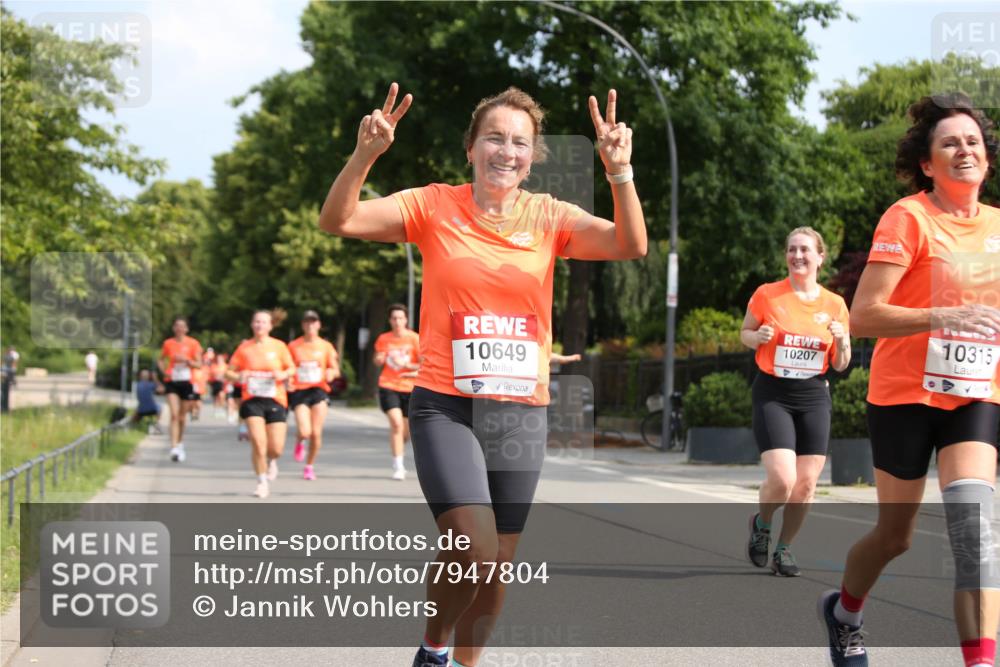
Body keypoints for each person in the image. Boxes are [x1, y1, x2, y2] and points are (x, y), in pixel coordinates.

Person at [319, 83, 646, 667]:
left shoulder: (550, 216)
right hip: (446, 402)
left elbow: (629, 243)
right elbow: (337, 219)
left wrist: (619, 172)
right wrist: (365, 154)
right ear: (471, 147)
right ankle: (433, 649)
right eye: (494, 137)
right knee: (471, 546)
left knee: (497, 568)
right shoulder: (433, 206)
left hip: (519, 409)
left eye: (520, 142)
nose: (506, 150)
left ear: (533, 156)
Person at [819, 93, 1000, 667]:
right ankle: (845, 611)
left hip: (974, 396)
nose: (963, 149)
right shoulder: (909, 217)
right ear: (927, 163)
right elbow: (863, 316)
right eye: (949, 142)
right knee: (894, 536)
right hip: (904, 396)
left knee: (974, 531)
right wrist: (940, 316)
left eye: (972, 141)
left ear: (987, 159)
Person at [740, 227, 851, 577]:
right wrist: (756, 337)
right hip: (773, 392)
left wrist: (843, 340)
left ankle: (785, 549)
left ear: (820, 257)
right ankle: (763, 522)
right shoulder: (767, 295)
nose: (797, 256)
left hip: (813, 394)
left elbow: (840, 363)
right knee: (783, 480)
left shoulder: (835, 304)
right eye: (791, 249)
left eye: (805, 250)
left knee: (806, 485)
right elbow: (744, 333)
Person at [226, 310, 295, 499]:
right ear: (252, 324)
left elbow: (291, 368)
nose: (259, 325)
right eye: (256, 322)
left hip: (276, 399)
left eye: (263, 322)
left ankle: (272, 460)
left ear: (270, 326)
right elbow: (228, 372)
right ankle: (261, 481)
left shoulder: (279, 346)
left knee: (276, 448)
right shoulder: (244, 348)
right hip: (252, 400)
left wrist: (283, 374)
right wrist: (239, 376)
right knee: (258, 442)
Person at [288, 310, 341, 480]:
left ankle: (309, 466)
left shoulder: (326, 346)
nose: (310, 325)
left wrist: (331, 374)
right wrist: (288, 380)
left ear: (318, 325)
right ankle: (300, 440)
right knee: (305, 431)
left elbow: (335, 369)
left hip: (319, 390)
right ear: (303, 325)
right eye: (307, 322)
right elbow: (287, 367)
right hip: (299, 391)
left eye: (313, 322)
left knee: (316, 432)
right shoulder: (294, 346)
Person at [373, 304, 420, 480]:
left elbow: (424, 364)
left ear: (406, 320)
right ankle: (398, 465)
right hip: (388, 385)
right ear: (390, 320)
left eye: (400, 318)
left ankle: (399, 447)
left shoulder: (415, 339)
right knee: (396, 424)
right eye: (394, 318)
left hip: (409, 387)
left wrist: (406, 365)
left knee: (405, 433)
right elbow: (378, 360)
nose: (397, 321)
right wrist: (379, 359)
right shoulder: (384, 339)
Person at [157, 318, 203, 462]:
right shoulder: (168, 343)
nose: (179, 328)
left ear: (187, 329)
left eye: (182, 326)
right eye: (177, 326)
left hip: (187, 381)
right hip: (172, 381)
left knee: (182, 417)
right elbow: (160, 359)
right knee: (174, 415)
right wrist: (164, 372)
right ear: (173, 328)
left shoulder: (193, 343)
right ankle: (174, 447)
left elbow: (199, 364)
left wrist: (187, 361)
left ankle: (180, 442)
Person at [132, 369, 162, 434]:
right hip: (152, 409)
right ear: (149, 376)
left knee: (137, 409)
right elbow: (161, 389)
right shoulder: (151, 384)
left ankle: (133, 425)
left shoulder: (138, 385)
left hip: (141, 410)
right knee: (160, 406)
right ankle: (157, 424)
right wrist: (155, 379)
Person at [1, 346, 19, 413]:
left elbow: (14, 362)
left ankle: (12, 380)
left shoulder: (14, 355)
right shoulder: (6, 355)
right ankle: (4, 408)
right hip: (6, 369)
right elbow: (2, 361)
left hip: (9, 369)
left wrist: (14, 367)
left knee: (11, 376)